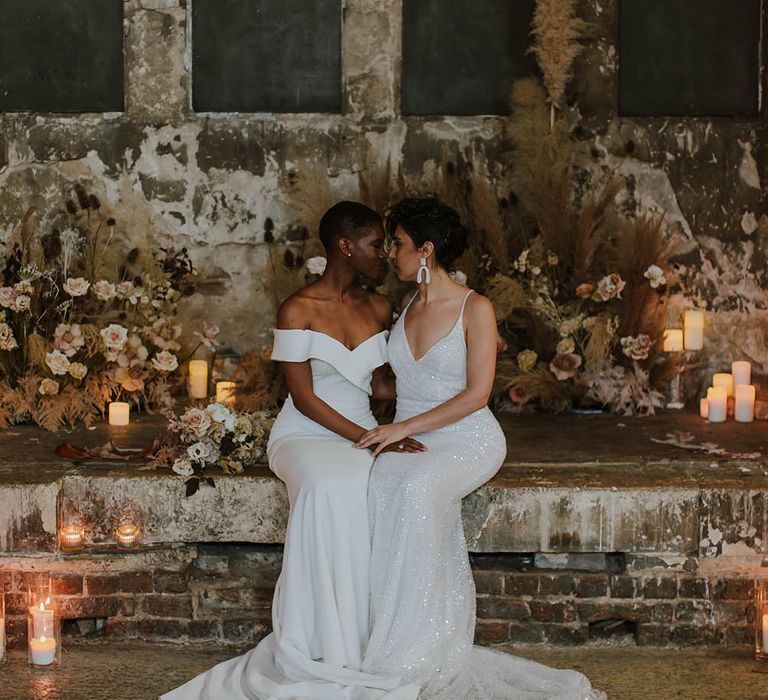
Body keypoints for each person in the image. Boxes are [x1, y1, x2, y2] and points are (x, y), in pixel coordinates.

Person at [162, 201, 421, 700]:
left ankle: (363, 637)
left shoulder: (382, 307)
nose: (385, 255)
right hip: (304, 433)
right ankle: (317, 641)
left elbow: (386, 386)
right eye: (375, 245)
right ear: (345, 246)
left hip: (361, 428)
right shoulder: (297, 309)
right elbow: (303, 397)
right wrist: (370, 440)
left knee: (372, 482)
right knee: (328, 484)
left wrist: (419, 415)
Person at [355, 197, 605, 700]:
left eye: (398, 244)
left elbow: (476, 395)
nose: (389, 254)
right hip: (412, 434)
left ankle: (414, 651)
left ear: (425, 250)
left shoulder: (476, 307)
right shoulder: (404, 308)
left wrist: (402, 430)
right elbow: (395, 386)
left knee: (420, 489)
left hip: (468, 437)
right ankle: (379, 633)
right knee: (379, 482)